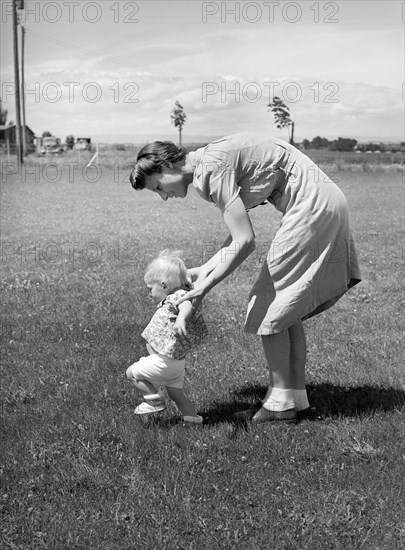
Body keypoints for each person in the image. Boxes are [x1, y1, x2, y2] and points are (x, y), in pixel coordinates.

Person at [129, 133, 361, 423]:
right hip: (323, 202)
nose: (164, 196)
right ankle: (295, 398)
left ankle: (279, 404)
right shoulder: (209, 162)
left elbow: (245, 240)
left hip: (312, 208)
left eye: (158, 187)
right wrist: (206, 268)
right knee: (284, 307)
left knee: (268, 304)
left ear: (168, 165)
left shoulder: (211, 170)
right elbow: (235, 238)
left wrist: (203, 289)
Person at [126, 250, 207, 425]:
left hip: (164, 362)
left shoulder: (177, 295)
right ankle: (193, 418)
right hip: (176, 364)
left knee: (131, 373)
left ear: (163, 285)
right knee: (176, 394)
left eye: (150, 289)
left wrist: (181, 318)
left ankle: (153, 399)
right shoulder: (177, 294)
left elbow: (185, 304)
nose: (149, 293)